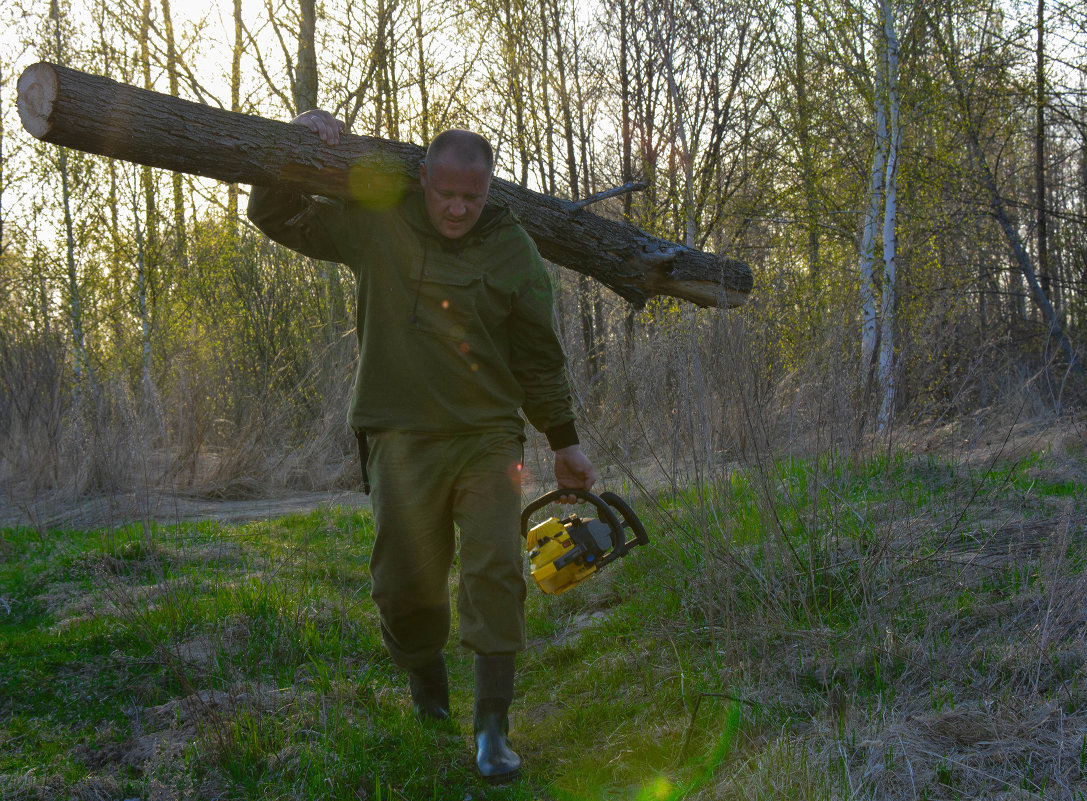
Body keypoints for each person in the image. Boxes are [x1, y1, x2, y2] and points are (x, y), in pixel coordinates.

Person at [247, 111, 596, 783]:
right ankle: (427, 691)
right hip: (396, 432)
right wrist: (295, 141)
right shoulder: (377, 222)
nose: (459, 208)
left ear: (489, 190)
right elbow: (278, 217)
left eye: (473, 196)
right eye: (446, 194)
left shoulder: (512, 248)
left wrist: (564, 442)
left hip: (487, 436)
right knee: (405, 584)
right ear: (424, 180)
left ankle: (492, 726)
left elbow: (538, 358)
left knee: (494, 570)